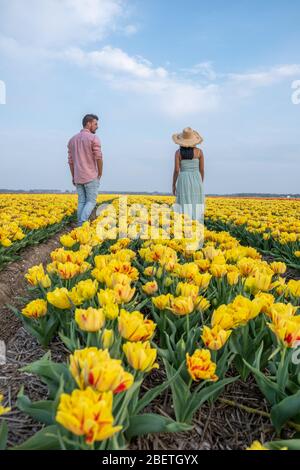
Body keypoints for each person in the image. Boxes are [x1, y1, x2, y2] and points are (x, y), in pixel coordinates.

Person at [68, 114, 103, 226]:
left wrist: (73, 176)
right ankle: (81, 223)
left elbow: (71, 162)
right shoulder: (93, 138)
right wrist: (100, 174)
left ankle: (79, 225)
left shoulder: (72, 140)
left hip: (78, 176)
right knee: (91, 201)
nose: (97, 126)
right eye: (95, 124)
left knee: (82, 201)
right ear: (88, 123)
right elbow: (99, 157)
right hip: (90, 176)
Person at [172, 127, 204, 222]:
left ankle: (184, 226)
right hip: (196, 179)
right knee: (196, 203)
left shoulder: (178, 153)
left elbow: (177, 170)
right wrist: (200, 182)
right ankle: (197, 226)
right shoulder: (199, 152)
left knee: (183, 203)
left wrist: (173, 184)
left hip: (183, 179)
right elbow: (202, 169)